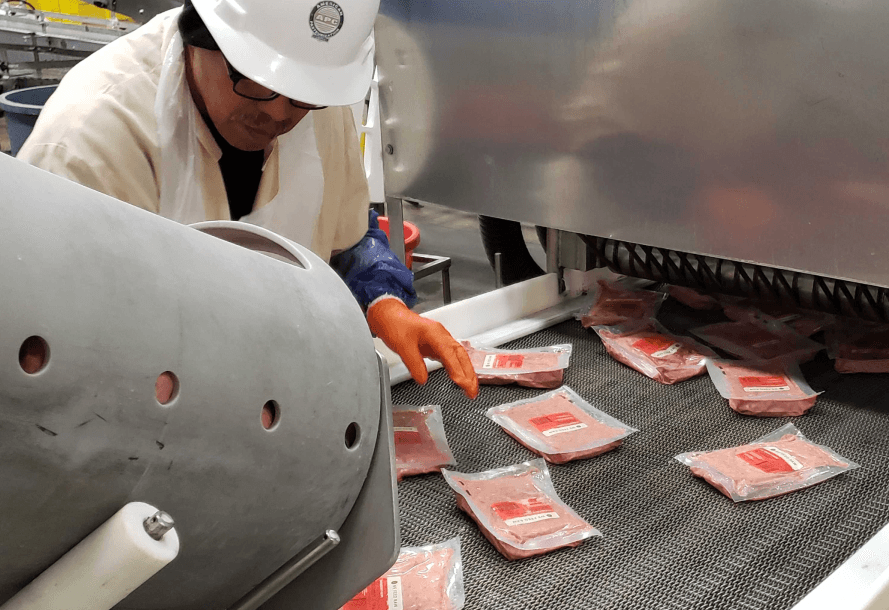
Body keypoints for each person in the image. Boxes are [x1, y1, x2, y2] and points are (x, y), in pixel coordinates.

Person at [17, 0, 478, 398]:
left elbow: (348, 244)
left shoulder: (317, 101)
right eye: (256, 81)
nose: (279, 113)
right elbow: (50, 353)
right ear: (200, 34)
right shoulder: (91, 138)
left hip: (279, 396)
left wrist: (384, 303)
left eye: (302, 97)